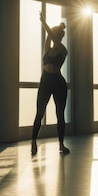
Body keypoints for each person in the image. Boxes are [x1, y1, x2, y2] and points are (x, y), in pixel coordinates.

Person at [31, 12, 69, 155]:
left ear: (59, 37)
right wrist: (45, 24)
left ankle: (61, 144)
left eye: (56, 35)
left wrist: (44, 22)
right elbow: (49, 36)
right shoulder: (47, 48)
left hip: (58, 82)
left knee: (60, 113)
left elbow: (51, 36)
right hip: (46, 80)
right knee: (39, 112)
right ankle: (33, 141)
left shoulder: (63, 50)